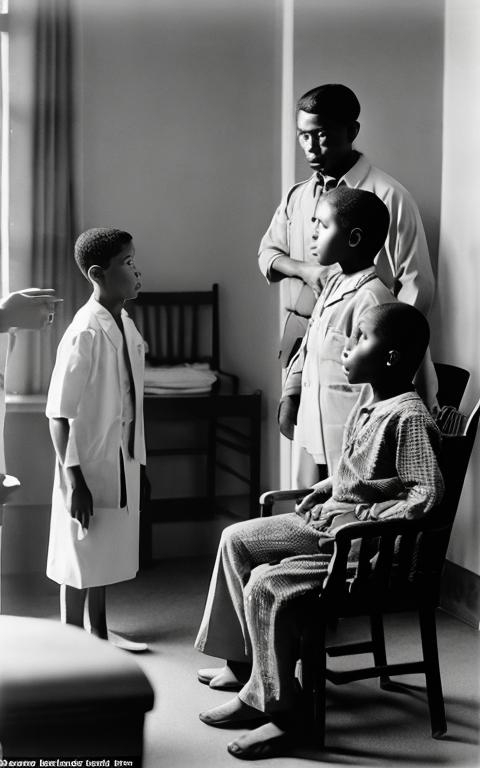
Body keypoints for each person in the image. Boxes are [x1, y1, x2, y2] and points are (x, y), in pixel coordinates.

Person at [195, 302, 444, 760]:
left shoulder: (409, 417)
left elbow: (425, 494)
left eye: (359, 339)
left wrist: (365, 519)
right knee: (237, 539)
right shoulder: (374, 404)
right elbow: (362, 473)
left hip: (361, 547)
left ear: (389, 357)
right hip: (330, 522)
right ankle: (253, 671)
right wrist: (324, 487)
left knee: (268, 584)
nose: (346, 349)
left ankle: (284, 714)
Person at [258, 83, 434, 365]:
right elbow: (267, 255)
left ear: (352, 131)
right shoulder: (297, 196)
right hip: (298, 335)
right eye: (304, 136)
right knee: (294, 409)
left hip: (358, 345)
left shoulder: (389, 196)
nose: (311, 147)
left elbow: (417, 292)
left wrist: (380, 356)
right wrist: (307, 272)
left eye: (322, 134)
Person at [45, 228, 147, 652]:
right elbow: (58, 413)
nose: (137, 270)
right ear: (97, 273)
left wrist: (138, 458)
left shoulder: (122, 320)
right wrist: (75, 482)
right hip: (85, 462)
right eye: (127, 263)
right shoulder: (84, 332)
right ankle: (73, 647)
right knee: (79, 557)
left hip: (119, 455)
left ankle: (100, 633)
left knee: (102, 549)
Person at [278, 185, 397, 481]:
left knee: (340, 511)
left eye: (324, 225)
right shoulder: (331, 285)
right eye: (314, 222)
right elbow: (308, 348)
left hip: (349, 441)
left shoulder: (372, 299)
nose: (314, 232)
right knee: (308, 506)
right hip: (313, 433)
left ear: (354, 238)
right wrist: (291, 395)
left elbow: (385, 385)